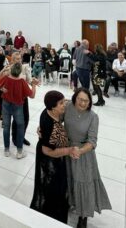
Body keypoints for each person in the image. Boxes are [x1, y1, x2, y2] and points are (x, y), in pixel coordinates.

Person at [64, 88, 111, 227]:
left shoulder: (93, 117)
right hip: (66, 150)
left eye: (86, 101)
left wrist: (79, 151)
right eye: (80, 99)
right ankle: (71, 202)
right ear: (75, 98)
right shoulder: (68, 107)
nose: (83, 103)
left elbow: (92, 142)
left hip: (83, 154)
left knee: (83, 183)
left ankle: (83, 216)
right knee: (69, 179)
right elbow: (56, 119)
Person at [30, 91, 79, 223]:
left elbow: (67, 102)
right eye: (61, 103)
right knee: (53, 186)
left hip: (55, 153)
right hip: (50, 160)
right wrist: (69, 150)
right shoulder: (50, 125)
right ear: (53, 107)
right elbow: (47, 151)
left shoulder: (50, 111)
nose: (64, 105)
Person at [0, 62, 39, 158]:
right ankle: (19, 152)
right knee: (20, 126)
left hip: (6, 104)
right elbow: (32, 95)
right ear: (20, 72)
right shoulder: (22, 82)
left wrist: (3, 71)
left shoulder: (6, 78)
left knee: (6, 127)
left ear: (11, 70)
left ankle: (6, 150)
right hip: (18, 106)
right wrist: (33, 85)